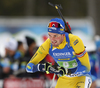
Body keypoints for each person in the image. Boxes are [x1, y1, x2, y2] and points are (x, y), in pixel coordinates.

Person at [26, 18, 92, 88]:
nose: (52, 39)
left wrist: (67, 70)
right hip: (64, 79)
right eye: (50, 35)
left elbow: (86, 67)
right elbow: (29, 67)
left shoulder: (74, 41)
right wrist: (45, 67)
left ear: (63, 34)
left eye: (55, 36)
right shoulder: (47, 45)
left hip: (81, 77)